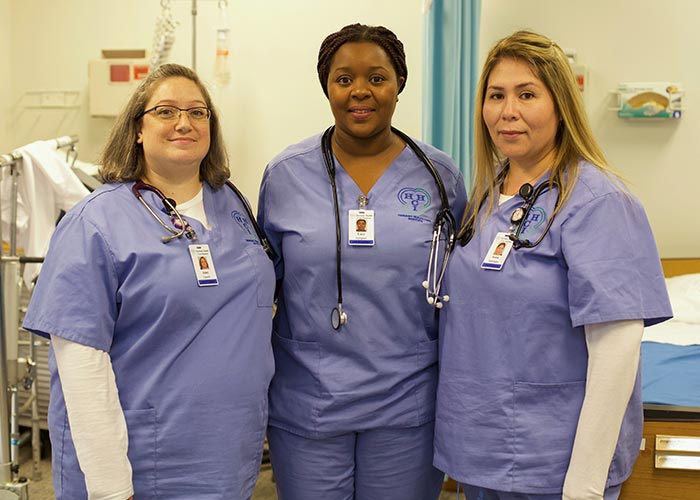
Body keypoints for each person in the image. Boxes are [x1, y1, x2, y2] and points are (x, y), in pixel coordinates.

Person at [433, 30, 672, 500]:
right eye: (496, 95)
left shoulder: (598, 202)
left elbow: (617, 349)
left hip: (555, 466)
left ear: (560, 104)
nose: (508, 111)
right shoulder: (485, 195)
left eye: (527, 95)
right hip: (482, 452)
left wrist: (584, 485)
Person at [22, 63, 275, 500]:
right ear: (137, 129)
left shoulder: (232, 203)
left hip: (227, 454)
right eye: (166, 111)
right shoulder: (95, 222)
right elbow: (82, 368)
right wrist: (110, 488)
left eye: (198, 112)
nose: (184, 122)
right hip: (143, 462)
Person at [257, 23, 467, 500]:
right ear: (326, 87)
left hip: (407, 402)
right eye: (344, 78)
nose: (360, 92)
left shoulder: (440, 176)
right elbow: (260, 283)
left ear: (399, 85)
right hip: (310, 398)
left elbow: (460, 283)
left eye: (377, 78)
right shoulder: (286, 175)